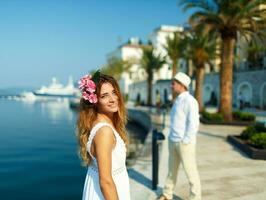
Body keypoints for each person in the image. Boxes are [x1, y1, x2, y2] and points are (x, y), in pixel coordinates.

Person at [76, 71, 130, 200]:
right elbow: (105, 182)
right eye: (105, 95)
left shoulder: (97, 123)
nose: (113, 99)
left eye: (114, 92)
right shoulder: (104, 132)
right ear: (95, 101)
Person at [158, 72, 201, 200]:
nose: (171, 86)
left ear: (182, 85)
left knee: (191, 173)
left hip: (184, 143)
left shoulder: (190, 101)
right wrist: (172, 138)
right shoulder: (178, 100)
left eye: (174, 83)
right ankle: (167, 194)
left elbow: (193, 123)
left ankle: (195, 198)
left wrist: (185, 140)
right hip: (173, 141)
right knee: (171, 171)